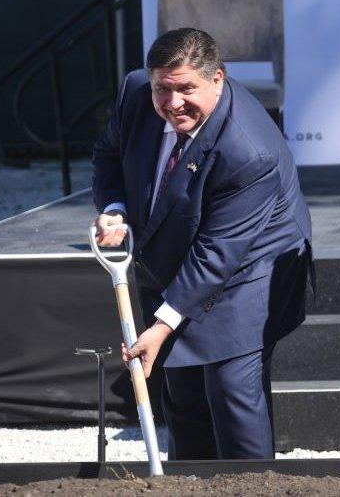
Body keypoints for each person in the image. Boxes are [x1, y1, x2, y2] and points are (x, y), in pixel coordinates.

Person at [91, 28, 313, 460]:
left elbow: (218, 252)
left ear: (217, 79)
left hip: (252, 262)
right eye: (163, 89)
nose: (172, 103)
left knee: (231, 386)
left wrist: (162, 323)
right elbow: (108, 153)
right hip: (174, 243)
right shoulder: (136, 92)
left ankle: (252, 487)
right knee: (182, 381)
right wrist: (117, 207)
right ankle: (190, 481)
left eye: (186, 89)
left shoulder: (248, 152)